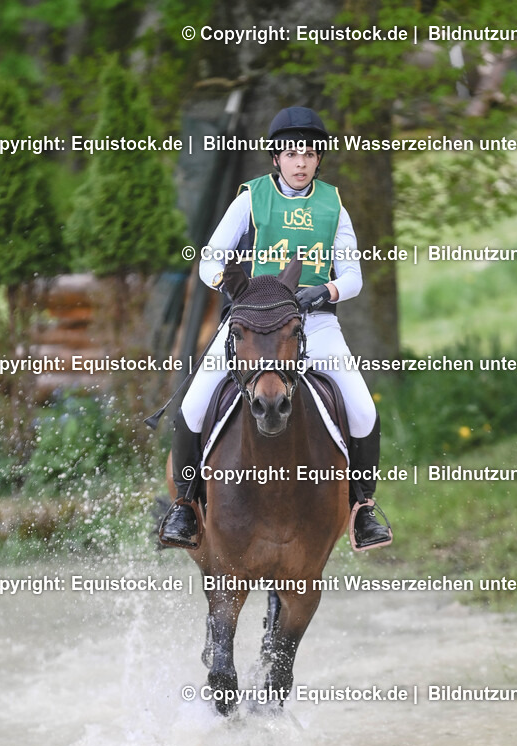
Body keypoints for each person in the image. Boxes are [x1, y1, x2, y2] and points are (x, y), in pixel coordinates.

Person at [160, 105, 391, 550]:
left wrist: (325, 293)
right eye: (291, 153)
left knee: (363, 411)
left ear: (319, 158)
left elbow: (354, 277)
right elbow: (211, 257)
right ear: (276, 158)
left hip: (313, 324)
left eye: (309, 153)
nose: (300, 162)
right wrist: (229, 283)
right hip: (252, 321)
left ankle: (363, 509)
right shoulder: (251, 198)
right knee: (193, 404)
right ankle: (185, 506)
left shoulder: (334, 204)